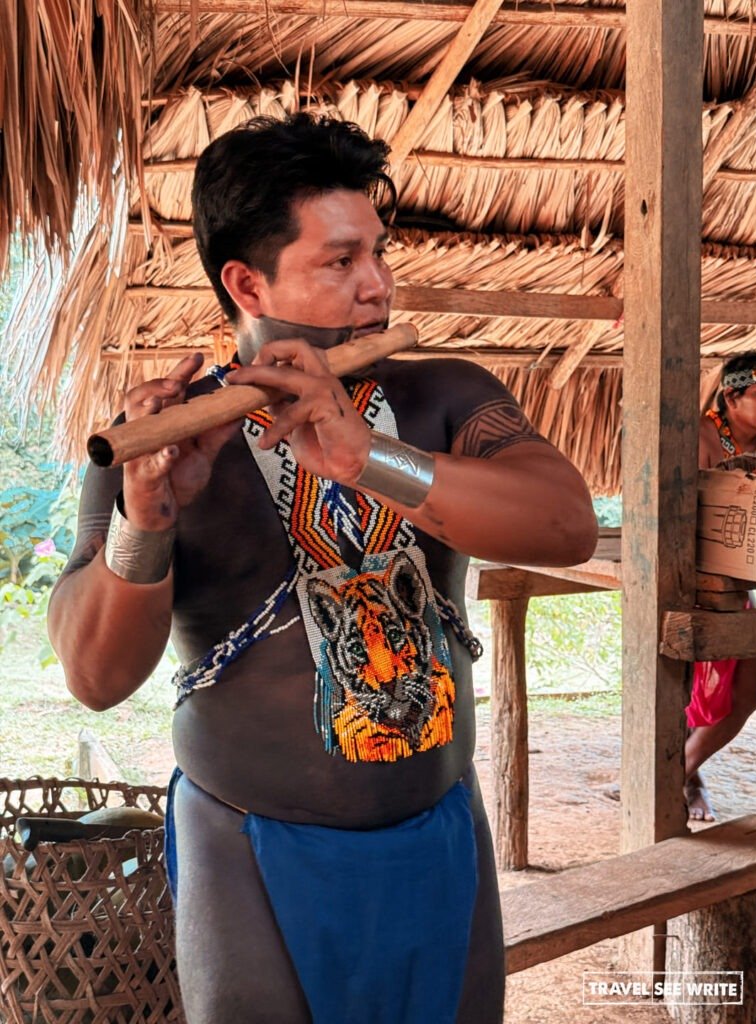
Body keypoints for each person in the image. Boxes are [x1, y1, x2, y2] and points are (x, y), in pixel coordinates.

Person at [48, 113, 597, 1024]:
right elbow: (95, 676)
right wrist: (147, 516)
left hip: (437, 834)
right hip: (244, 847)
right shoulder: (152, 446)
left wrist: (366, 459)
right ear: (246, 281)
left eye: (378, 254)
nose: (379, 285)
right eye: (340, 262)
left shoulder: (445, 396)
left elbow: (566, 524)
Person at [686, 352, 756, 821]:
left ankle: (682, 772)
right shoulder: (698, 437)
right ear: (732, 396)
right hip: (690, 579)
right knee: (682, 693)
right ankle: (685, 778)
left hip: (737, 583)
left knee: (751, 692)